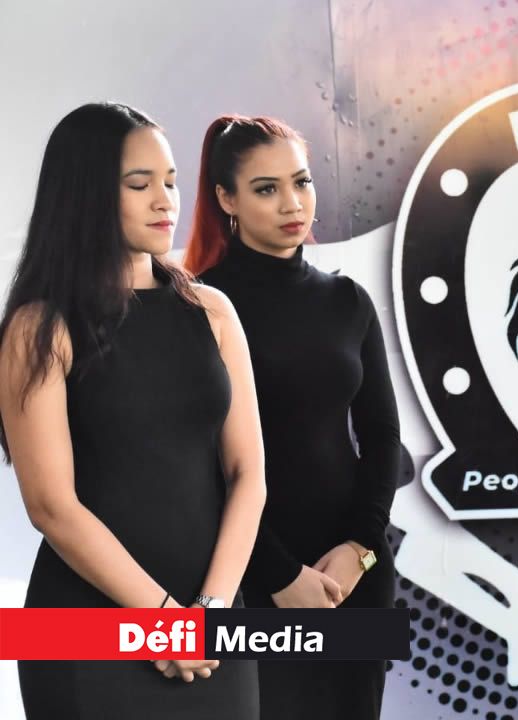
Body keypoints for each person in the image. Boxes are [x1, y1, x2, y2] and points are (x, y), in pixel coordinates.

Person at [0, 102, 264, 718]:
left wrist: (209, 615)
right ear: (86, 195)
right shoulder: (39, 329)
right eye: (140, 184)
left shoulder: (213, 312)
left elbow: (249, 475)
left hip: (212, 632)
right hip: (87, 634)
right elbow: (51, 506)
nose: (165, 200)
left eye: (170, 181)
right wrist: (162, 622)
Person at [184, 114, 401, 719]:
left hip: (353, 579)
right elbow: (197, 466)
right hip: (248, 580)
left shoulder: (348, 300)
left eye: (301, 182)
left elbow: (382, 437)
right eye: (266, 188)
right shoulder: (197, 308)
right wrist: (278, 574)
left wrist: (360, 547)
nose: (292, 203)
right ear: (226, 199)